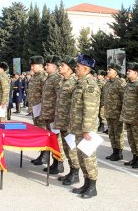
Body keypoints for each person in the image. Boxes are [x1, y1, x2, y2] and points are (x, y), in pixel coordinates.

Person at [70, 54, 100, 199]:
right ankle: (86, 184)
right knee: (82, 157)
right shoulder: (80, 82)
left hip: (86, 128)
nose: (76, 68)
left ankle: (92, 187)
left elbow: (90, 108)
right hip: (78, 127)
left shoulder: (90, 85)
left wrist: (87, 129)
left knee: (88, 157)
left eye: (78, 66)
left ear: (86, 68)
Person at [55, 56, 80, 185]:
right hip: (62, 121)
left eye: (62, 65)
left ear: (69, 68)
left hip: (70, 122)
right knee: (65, 148)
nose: (60, 67)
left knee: (72, 148)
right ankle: (71, 171)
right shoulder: (63, 81)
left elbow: (77, 104)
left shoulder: (74, 82)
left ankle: (75, 173)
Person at [120, 62, 138, 168]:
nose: (127, 72)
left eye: (129, 71)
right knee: (130, 138)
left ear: (135, 73)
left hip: (136, 118)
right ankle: (134, 157)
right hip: (128, 116)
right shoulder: (128, 84)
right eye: (127, 71)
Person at [40, 55, 63, 173]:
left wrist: (56, 114)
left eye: (48, 65)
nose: (45, 66)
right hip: (48, 114)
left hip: (54, 114)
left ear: (55, 67)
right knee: (52, 139)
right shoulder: (49, 78)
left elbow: (59, 97)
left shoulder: (57, 79)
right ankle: (55, 162)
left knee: (57, 139)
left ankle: (59, 163)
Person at [103, 62, 127, 161]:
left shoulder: (121, 82)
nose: (107, 71)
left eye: (110, 70)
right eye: (108, 70)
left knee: (118, 134)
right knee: (111, 133)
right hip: (109, 112)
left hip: (117, 113)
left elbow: (124, 99)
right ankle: (114, 151)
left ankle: (119, 153)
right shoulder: (107, 83)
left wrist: (123, 113)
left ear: (116, 72)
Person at [28, 56, 48, 165]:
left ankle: (45, 155)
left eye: (33, 65)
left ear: (40, 66)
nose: (31, 67)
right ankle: (42, 154)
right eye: (31, 65)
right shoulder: (34, 76)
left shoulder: (43, 76)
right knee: (38, 131)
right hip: (34, 109)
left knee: (43, 131)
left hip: (41, 109)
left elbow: (45, 94)